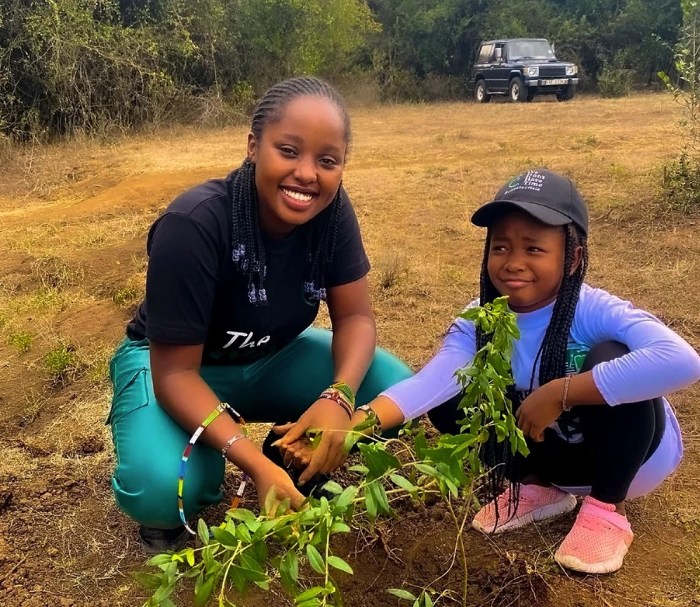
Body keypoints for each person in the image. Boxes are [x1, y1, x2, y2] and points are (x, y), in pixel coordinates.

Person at [106, 76, 412, 553]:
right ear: (253, 146)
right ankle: (200, 477)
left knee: (392, 387)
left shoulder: (330, 215)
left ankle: (289, 451)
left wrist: (340, 395)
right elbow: (177, 373)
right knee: (165, 488)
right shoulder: (195, 224)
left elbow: (356, 320)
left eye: (327, 161)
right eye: (288, 150)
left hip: (269, 357)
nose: (307, 174)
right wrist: (252, 465)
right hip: (174, 368)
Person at [346, 169, 700, 574]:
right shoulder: (480, 318)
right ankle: (539, 486)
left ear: (573, 258)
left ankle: (606, 511)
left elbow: (684, 360)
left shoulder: (593, 309)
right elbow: (432, 382)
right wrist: (353, 426)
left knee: (609, 355)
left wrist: (561, 392)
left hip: (634, 461)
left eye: (533, 249)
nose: (513, 263)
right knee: (450, 403)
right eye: (501, 247)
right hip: (561, 461)